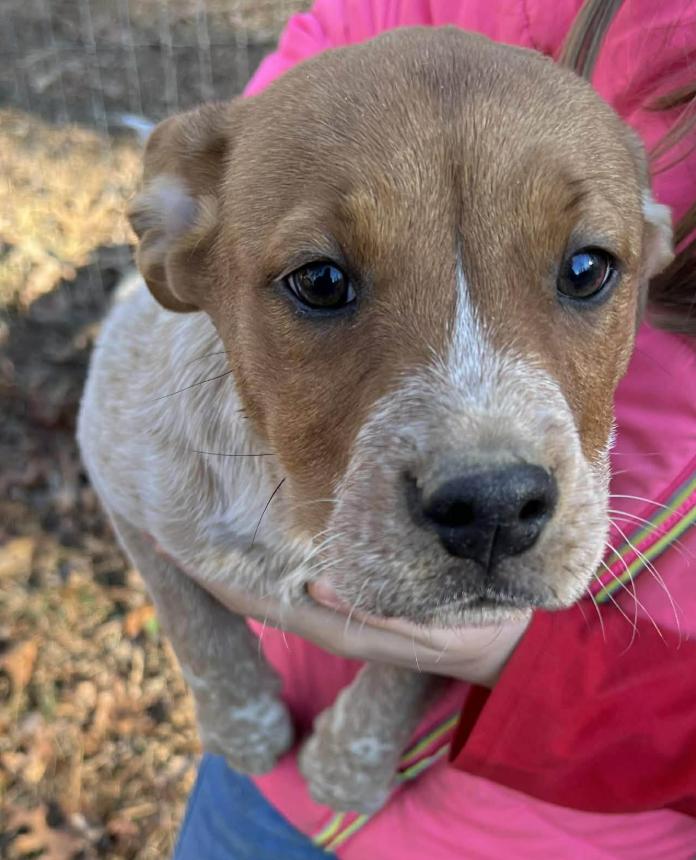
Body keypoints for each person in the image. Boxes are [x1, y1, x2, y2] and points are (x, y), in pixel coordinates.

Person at [173, 1, 696, 857]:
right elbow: (254, 176)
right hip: (282, 770)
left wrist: (540, 669)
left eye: (584, 270)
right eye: (324, 283)